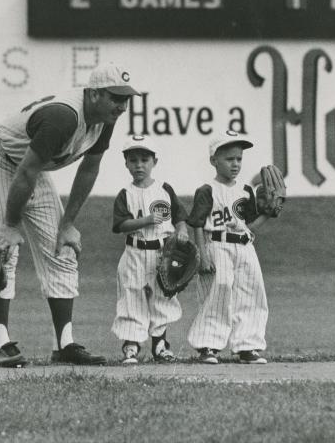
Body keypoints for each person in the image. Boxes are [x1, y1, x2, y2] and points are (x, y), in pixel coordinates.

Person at [0, 65, 138, 367]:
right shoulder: (64, 117)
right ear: (94, 93)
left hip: (31, 168)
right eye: (115, 98)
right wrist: (9, 226)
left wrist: (68, 223)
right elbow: (26, 172)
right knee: (3, 251)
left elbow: (89, 168)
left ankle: (66, 344)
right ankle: (1, 343)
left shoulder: (103, 118)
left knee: (62, 250)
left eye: (126, 99)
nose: (122, 106)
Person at [186, 130, 271, 364]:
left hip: (245, 247)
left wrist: (268, 214)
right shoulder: (207, 190)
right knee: (218, 293)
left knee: (252, 293)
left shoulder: (245, 191)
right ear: (214, 160)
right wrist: (202, 255)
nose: (235, 164)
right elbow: (197, 224)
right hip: (217, 244)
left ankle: (248, 346)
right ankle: (208, 346)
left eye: (239, 159)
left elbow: (250, 227)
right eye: (229, 158)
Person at [110, 136, 190, 364]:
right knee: (132, 296)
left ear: (154, 161)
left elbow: (180, 216)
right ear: (125, 163)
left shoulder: (164, 189)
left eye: (144, 159)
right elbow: (120, 225)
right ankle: (131, 346)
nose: (139, 165)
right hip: (135, 251)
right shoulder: (125, 194)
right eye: (133, 160)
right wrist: (145, 220)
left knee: (162, 297)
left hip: (162, 253)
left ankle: (160, 345)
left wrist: (182, 231)